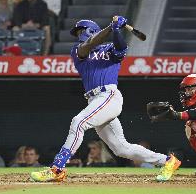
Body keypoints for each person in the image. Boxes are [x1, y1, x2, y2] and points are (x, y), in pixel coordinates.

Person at [30, 16, 181, 182]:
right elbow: (89, 45)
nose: (79, 34)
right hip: (95, 100)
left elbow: (121, 48)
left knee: (78, 122)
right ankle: (168, 161)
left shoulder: (109, 48)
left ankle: (57, 168)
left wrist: (116, 30)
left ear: (91, 30)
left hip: (108, 95)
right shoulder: (78, 50)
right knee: (121, 148)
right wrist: (111, 27)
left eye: (81, 30)